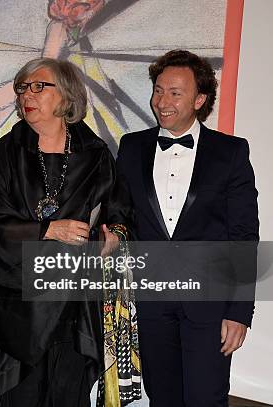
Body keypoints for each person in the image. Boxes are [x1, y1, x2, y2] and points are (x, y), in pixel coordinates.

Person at [0, 57, 137, 406]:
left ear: (66, 95)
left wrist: (113, 236)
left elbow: (120, 214)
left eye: (39, 86)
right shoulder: (5, 151)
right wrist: (47, 229)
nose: (28, 94)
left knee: (69, 396)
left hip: (76, 303)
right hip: (21, 307)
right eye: (23, 87)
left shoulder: (96, 154)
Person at [116, 49, 259, 406]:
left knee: (205, 398)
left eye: (175, 93)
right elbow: (121, 215)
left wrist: (239, 312)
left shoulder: (231, 152)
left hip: (209, 305)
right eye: (158, 90)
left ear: (199, 99)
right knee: (162, 397)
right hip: (152, 303)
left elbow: (244, 236)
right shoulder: (131, 147)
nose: (162, 101)